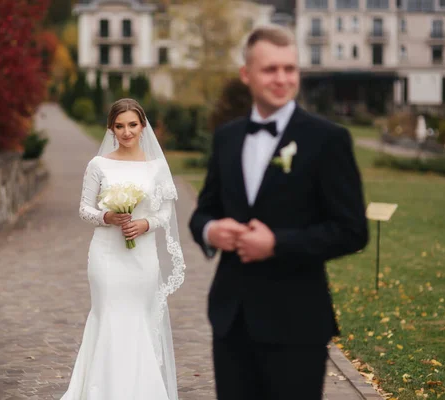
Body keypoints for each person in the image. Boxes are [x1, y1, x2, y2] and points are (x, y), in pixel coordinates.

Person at [189, 25, 369, 399]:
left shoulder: (328, 140)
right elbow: (203, 211)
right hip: (231, 319)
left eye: (290, 69)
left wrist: (277, 244)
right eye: (271, 69)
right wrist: (210, 231)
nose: (282, 78)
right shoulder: (228, 138)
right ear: (247, 75)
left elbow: (352, 230)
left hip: (297, 324)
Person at [60, 98, 186, 400]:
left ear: (143, 126)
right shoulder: (98, 165)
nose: (126, 132)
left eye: (132, 124)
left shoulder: (156, 167)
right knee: (109, 316)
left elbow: (164, 214)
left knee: (138, 320)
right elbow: (84, 209)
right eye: (120, 126)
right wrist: (108, 217)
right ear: (111, 128)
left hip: (141, 257)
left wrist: (143, 224)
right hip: (106, 256)